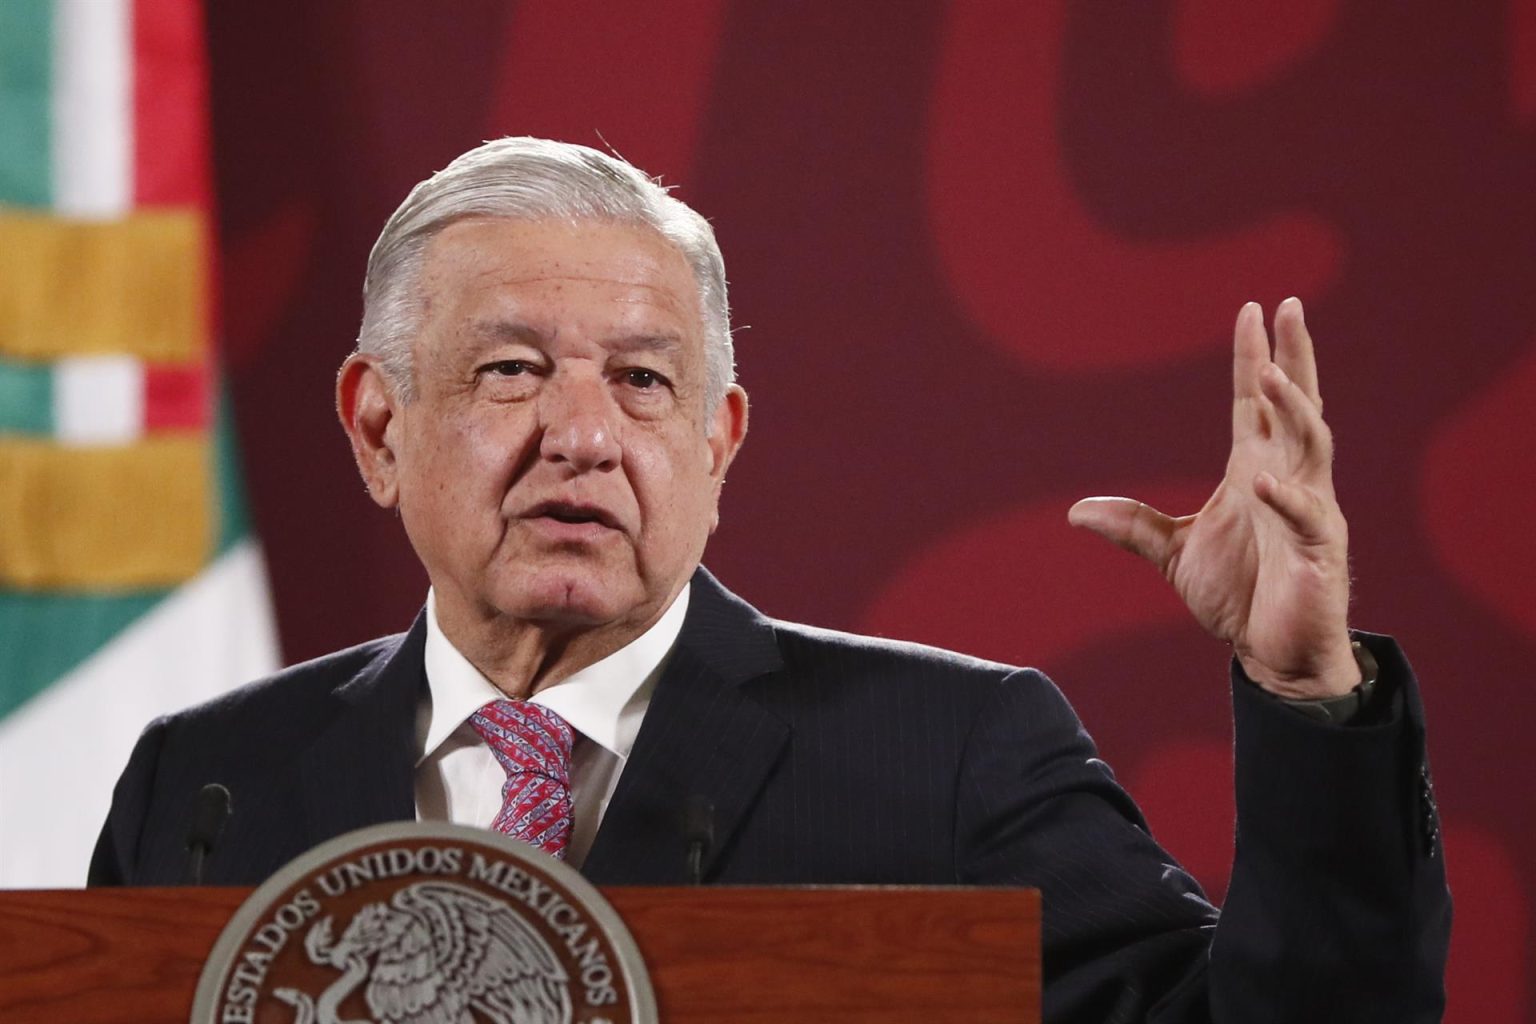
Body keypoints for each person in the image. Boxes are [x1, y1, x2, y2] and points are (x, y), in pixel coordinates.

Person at [90, 137, 1450, 1022]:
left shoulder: (951, 757)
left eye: (643, 380)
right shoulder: (210, 786)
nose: (583, 433)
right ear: (379, 427)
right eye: (512, 370)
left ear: (717, 440)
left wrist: (1303, 690)